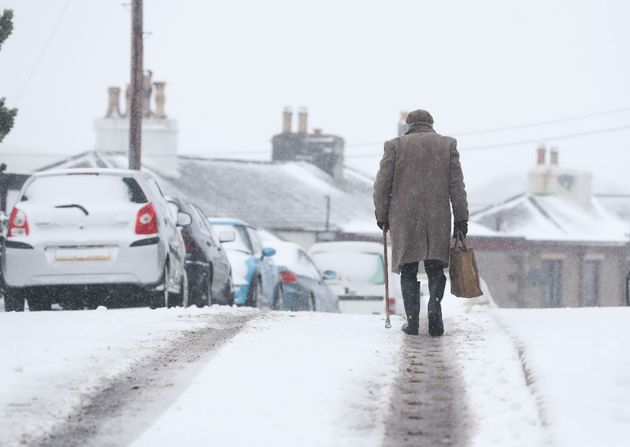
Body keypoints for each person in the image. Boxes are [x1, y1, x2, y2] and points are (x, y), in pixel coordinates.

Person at [373, 109, 468, 336]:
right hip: (438, 216)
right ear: (431, 124)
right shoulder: (447, 145)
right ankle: (434, 309)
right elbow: (457, 186)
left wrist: (382, 216)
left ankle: (413, 321)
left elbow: (382, 186)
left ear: (410, 125)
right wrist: (461, 218)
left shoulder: (395, 146)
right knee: (435, 267)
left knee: (408, 268)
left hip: (404, 217)